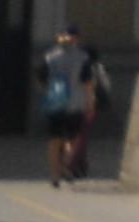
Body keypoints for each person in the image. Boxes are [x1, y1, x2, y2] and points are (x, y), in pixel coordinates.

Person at [36, 28, 101, 187]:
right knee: (74, 138)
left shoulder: (49, 57)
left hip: (55, 103)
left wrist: (49, 92)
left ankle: (54, 175)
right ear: (76, 39)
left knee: (54, 139)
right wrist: (90, 103)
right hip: (75, 104)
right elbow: (88, 84)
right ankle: (65, 165)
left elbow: (40, 78)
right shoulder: (83, 58)